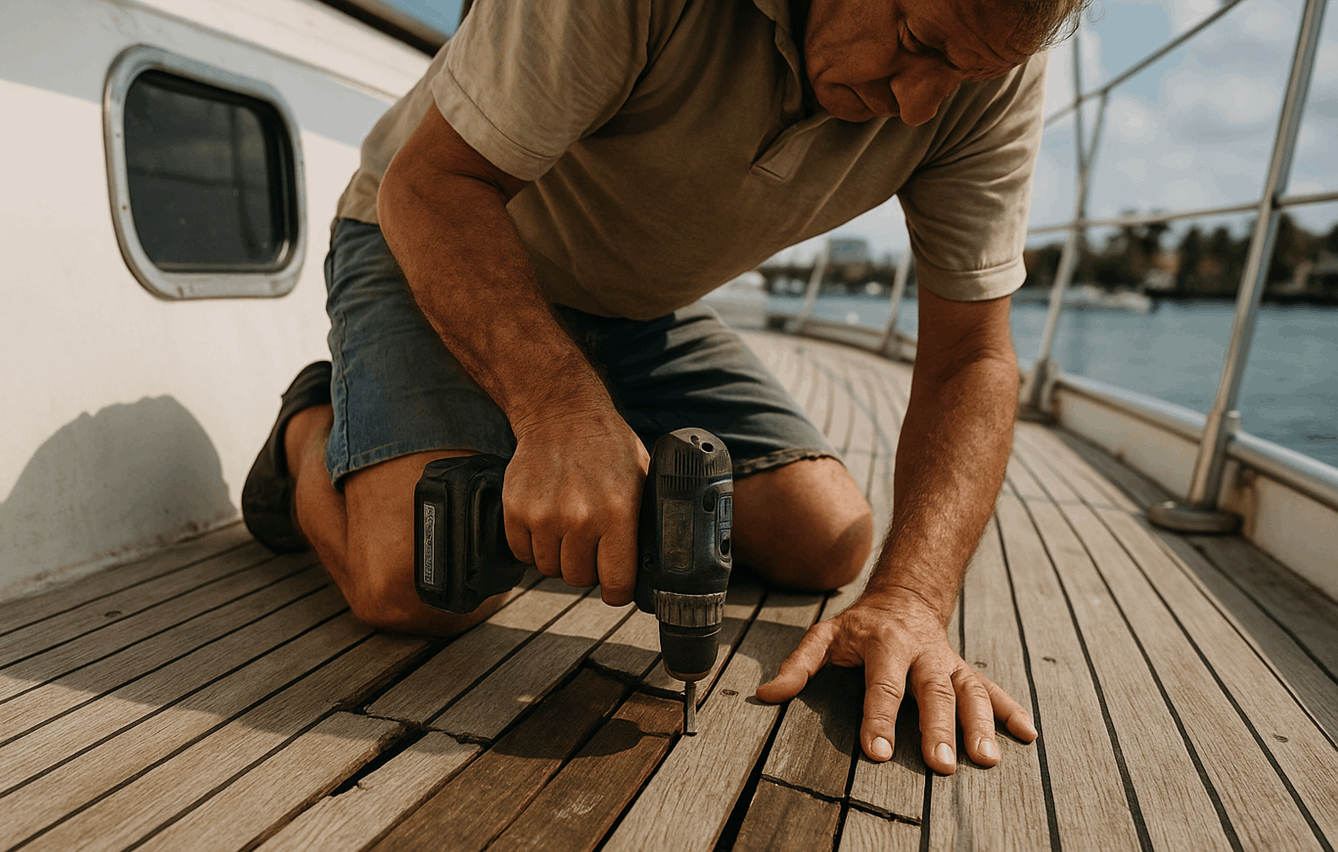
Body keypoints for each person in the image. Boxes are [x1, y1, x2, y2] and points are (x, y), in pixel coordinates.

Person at [243, 0, 1087, 775]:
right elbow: (430, 188)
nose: (918, 106)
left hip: (637, 309)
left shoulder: (988, 54)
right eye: (914, 44)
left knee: (827, 539)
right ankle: (312, 423)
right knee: (424, 581)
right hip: (437, 241)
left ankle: (575, 438)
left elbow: (971, 356)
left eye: (961, 75)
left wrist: (910, 599)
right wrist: (560, 408)